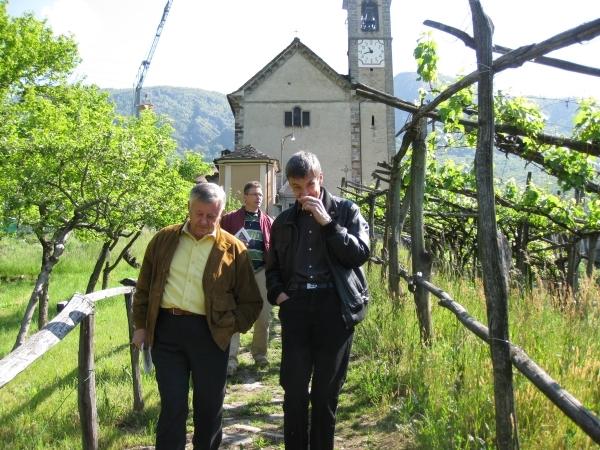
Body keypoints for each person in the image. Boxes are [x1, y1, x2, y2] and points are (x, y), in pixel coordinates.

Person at [131, 182, 262, 450]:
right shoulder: (164, 239)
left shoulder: (234, 249)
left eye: (212, 216)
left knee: (209, 407)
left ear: (221, 213)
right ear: (189, 209)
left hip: (211, 335)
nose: (204, 221)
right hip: (167, 332)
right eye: (199, 214)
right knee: (173, 405)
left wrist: (229, 326)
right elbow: (144, 287)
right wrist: (141, 326)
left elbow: (251, 301)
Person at [266, 151, 370, 450]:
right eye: (297, 188)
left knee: (325, 393)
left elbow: (359, 255)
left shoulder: (346, 211)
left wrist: (328, 224)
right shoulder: (283, 221)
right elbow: (273, 270)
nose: (304, 194)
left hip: (334, 307)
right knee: (294, 391)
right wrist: (281, 296)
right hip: (297, 306)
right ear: (289, 186)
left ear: (321, 178)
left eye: (310, 185)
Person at [220, 181, 274, 375]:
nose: (259, 198)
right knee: (234, 314)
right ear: (245, 197)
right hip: (237, 273)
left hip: (261, 272)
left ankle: (260, 355)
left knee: (264, 315)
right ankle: (231, 359)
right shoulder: (230, 219)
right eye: (254, 194)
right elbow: (219, 241)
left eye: (260, 195)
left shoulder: (268, 221)